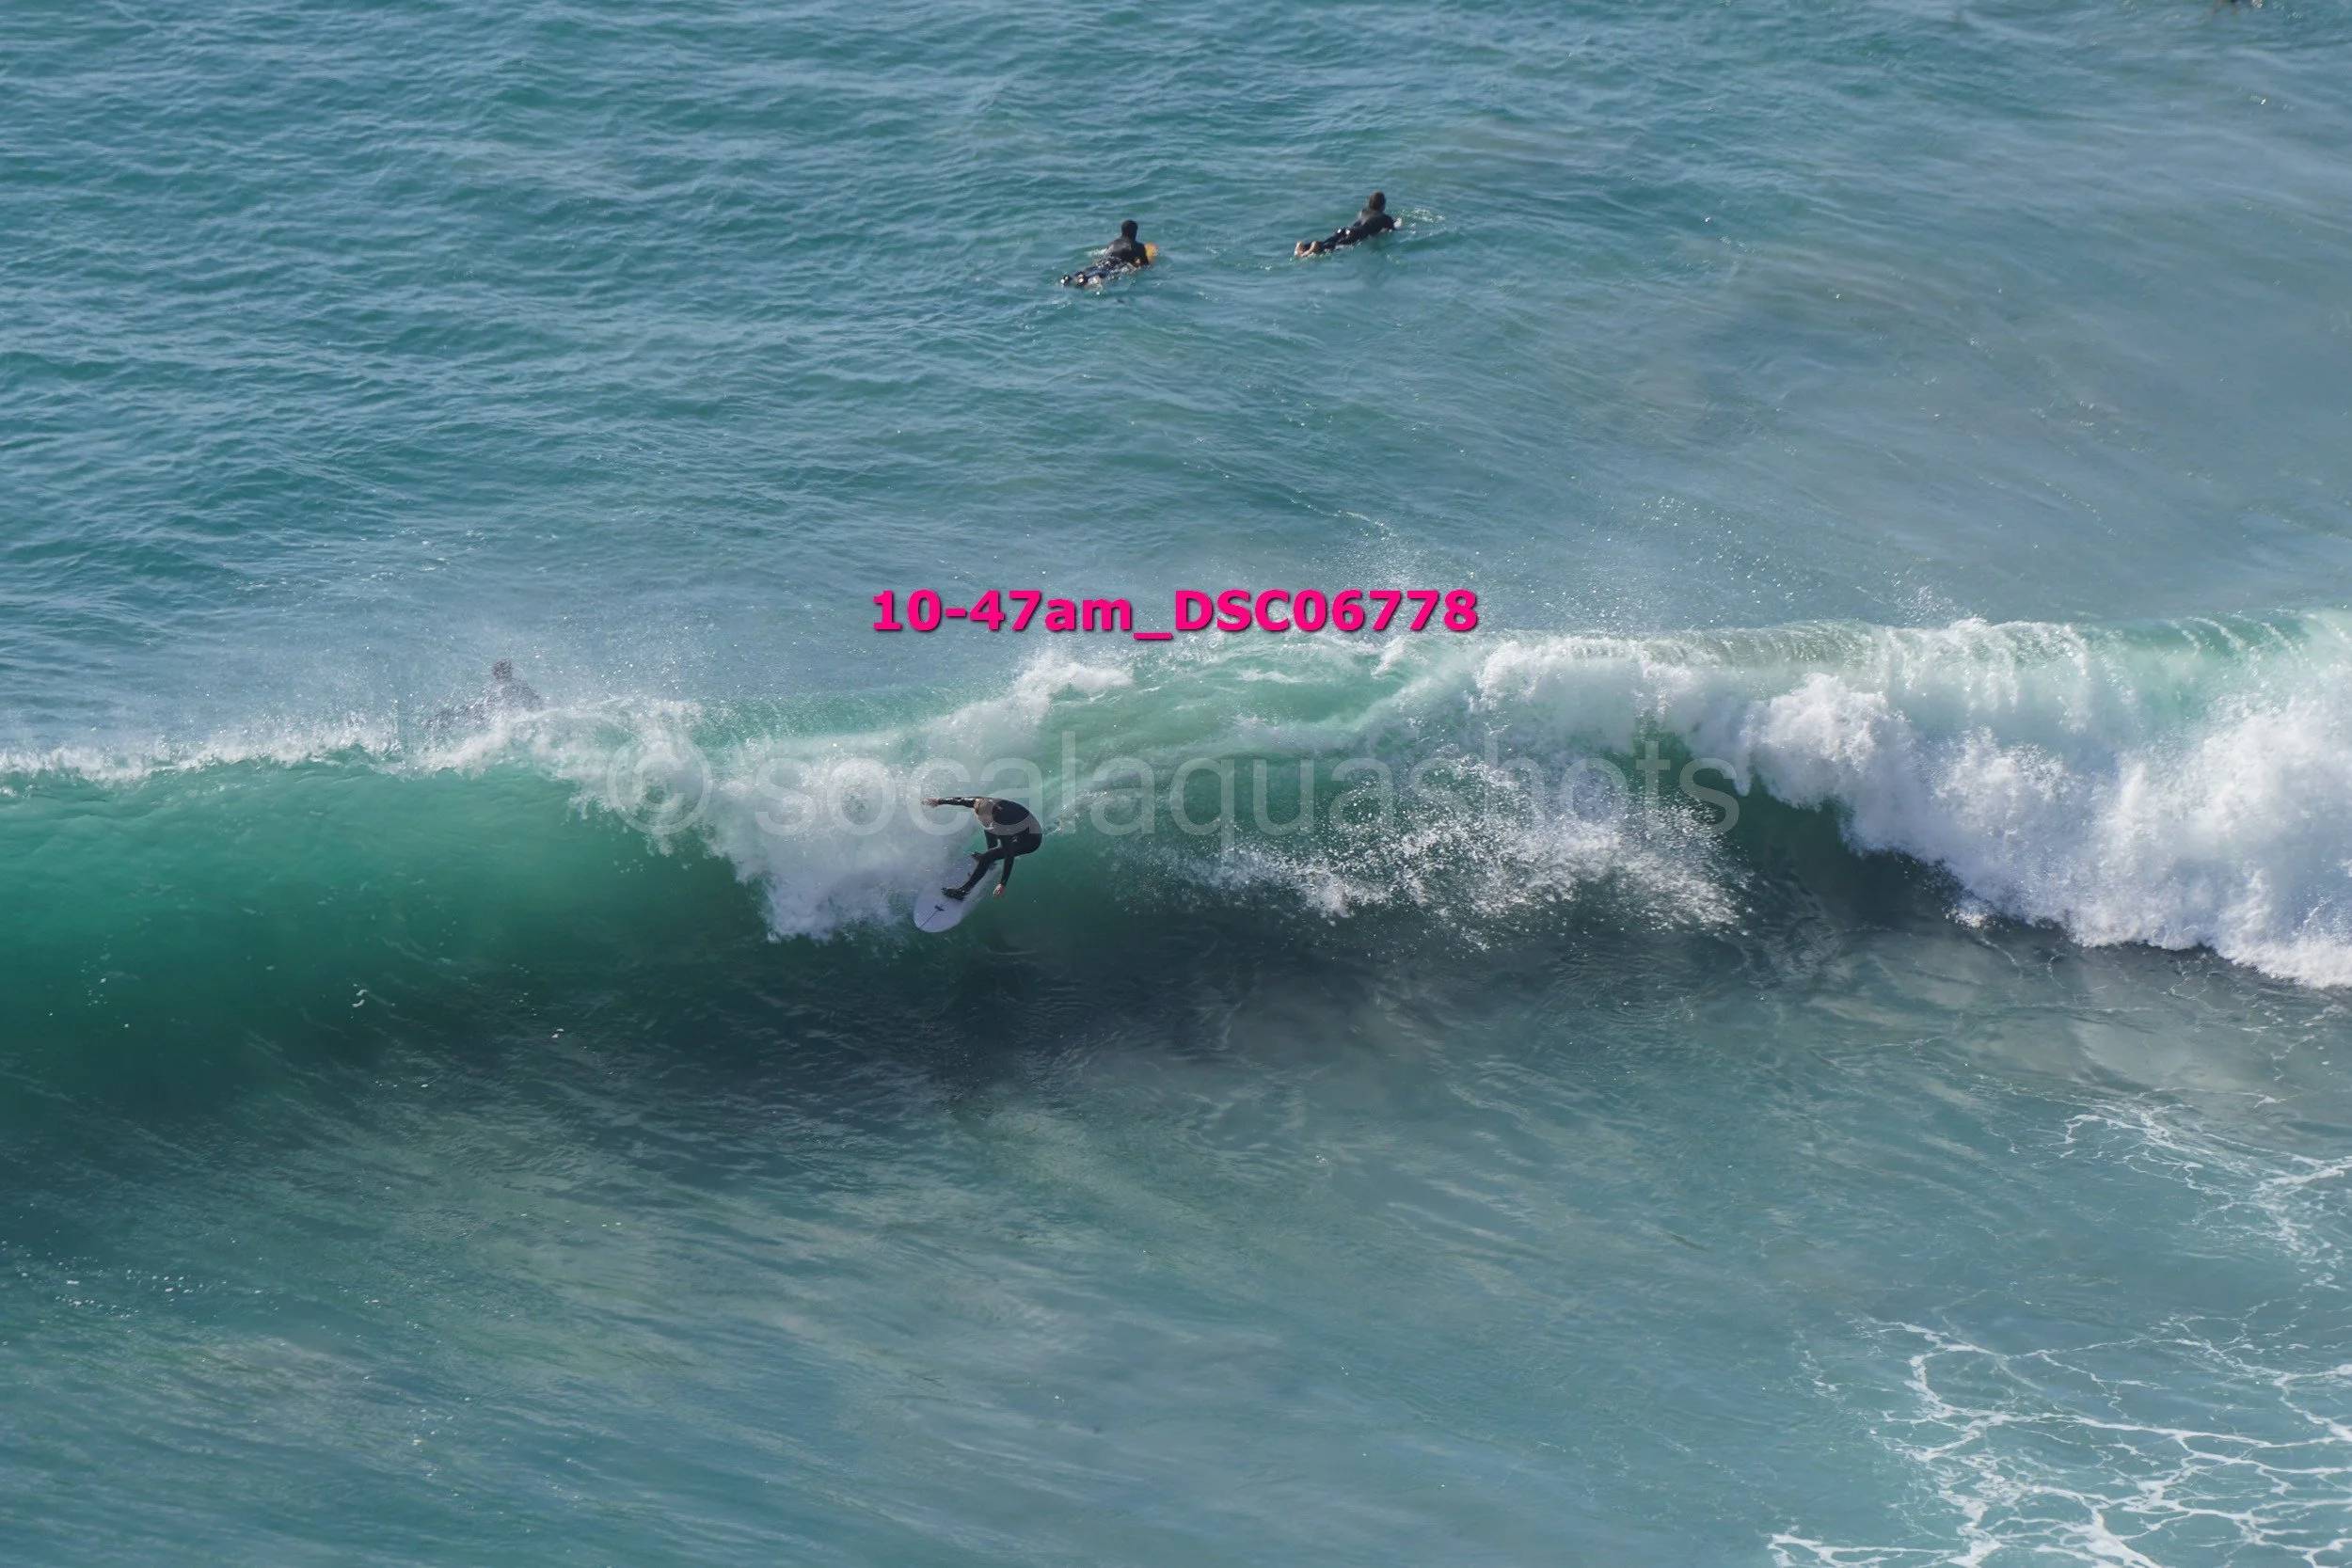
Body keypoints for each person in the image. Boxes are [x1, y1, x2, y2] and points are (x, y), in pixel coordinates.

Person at [924, 795, 1043, 900]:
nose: (982, 821)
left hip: (1030, 840)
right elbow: (960, 800)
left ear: (994, 813)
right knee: (988, 828)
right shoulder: (980, 802)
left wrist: (1003, 883)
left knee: (987, 856)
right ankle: (990, 862)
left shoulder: (1002, 822)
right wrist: (939, 801)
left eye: (985, 818)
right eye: (980, 817)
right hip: (1020, 827)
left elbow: (1009, 853)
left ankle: (964, 891)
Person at [1295, 192, 1396, 257]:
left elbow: (1371, 219)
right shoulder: (1384, 217)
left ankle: (1303, 246)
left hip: (1346, 230)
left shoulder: (1363, 211)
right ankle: (1316, 247)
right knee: (1337, 246)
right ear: (1383, 206)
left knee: (1330, 240)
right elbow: (1393, 229)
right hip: (1357, 234)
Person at [1061, 220, 1153, 287]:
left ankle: (1071, 277)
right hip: (1116, 265)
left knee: (1091, 270)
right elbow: (1144, 265)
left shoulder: (1113, 243)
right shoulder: (1138, 246)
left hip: (1103, 261)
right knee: (1101, 274)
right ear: (1135, 231)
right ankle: (1084, 281)